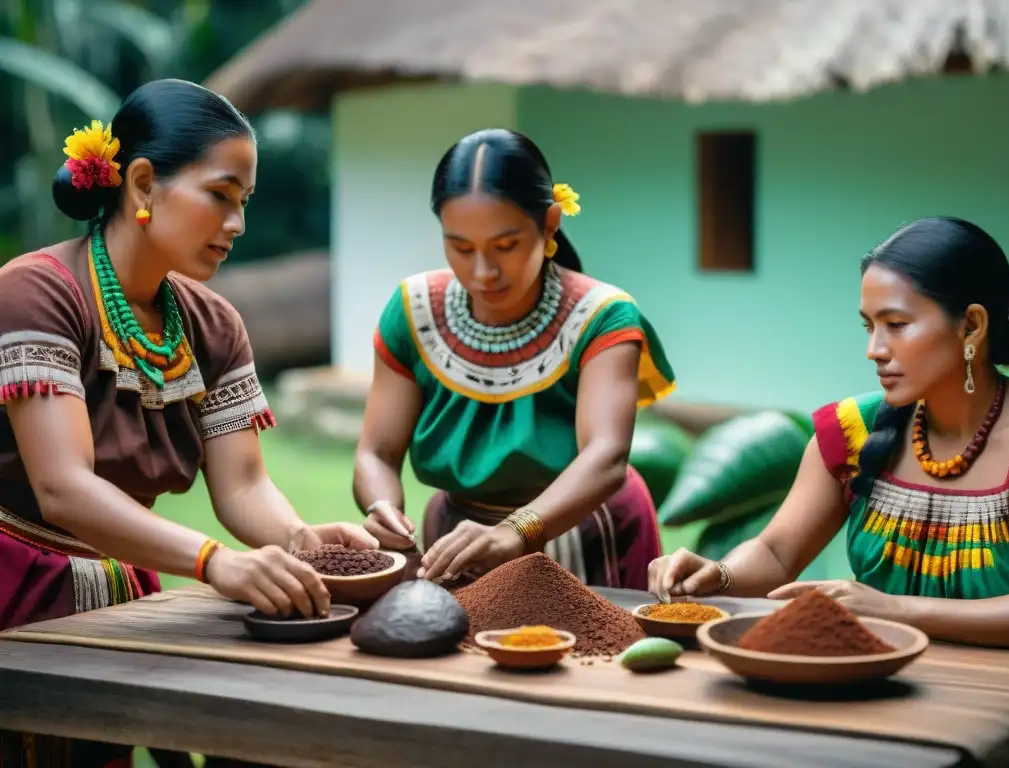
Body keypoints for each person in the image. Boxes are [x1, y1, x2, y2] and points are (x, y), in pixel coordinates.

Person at [0, 79, 376, 767]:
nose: (236, 223)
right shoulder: (38, 292)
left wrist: (300, 539)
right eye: (220, 196)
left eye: (244, 203)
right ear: (143, 184)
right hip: (13, 587)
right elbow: (62, 488)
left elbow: (242, 486)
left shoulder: (211, 323)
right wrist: (213, 562)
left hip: (122, 592)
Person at [648, 216, 1009, 648]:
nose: (875, 350)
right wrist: (719, 574)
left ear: (971, 325)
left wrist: (897, 609)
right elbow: (775, 554)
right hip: (872, 683)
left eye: (897, 325)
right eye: (869, 326)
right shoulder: (853, 431)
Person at [354, 128, 676, 589]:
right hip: (458, 539)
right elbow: (376, 453)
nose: (482, 271)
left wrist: (515, 531)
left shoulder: (601, 316)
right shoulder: (413, 312)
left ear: (549, 224)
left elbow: (606, 455)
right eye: (461, 247)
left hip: (588, 530)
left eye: (505, 246)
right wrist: (382, 508)